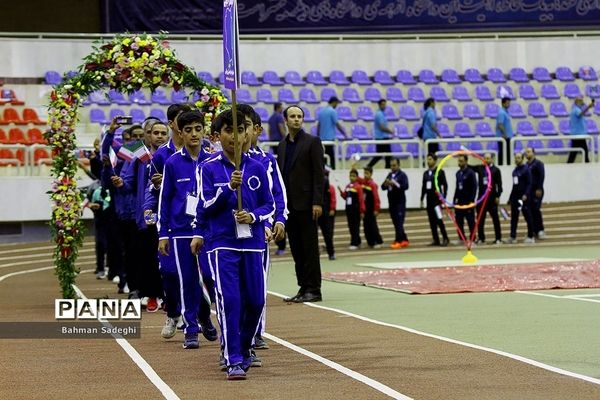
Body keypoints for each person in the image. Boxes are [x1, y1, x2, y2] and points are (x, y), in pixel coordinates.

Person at [190, 109, 274, 380]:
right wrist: (227, 188)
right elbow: (205, 205)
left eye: (239, 130)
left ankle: (246, 345)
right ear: (217, 136)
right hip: (222, 243)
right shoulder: (208, 168)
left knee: (256, 301)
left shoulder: (258, 167)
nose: (235, 137)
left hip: (252, 243)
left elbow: (268, 205)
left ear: (246, 133)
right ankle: (233, 357)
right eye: (228, 131)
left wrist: (253, 216)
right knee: (231, 300)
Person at [157, 110, 215, 347]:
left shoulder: (212, 161)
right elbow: (165, 198)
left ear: (204, 130)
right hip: (180, 230)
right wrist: (163, 234)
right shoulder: (171, 163)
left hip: (209, 229)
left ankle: (208, 318)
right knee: (188, 281)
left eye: (198, 129)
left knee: (211, 278)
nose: (193, 134)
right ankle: (191, 329)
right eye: (188, 130)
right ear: (180, 132)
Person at [239, 103, 288, 351]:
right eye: (235, 128)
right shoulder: (217, 161)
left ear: (256, 130)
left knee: (257, 285)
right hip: (226, 236)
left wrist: (276, 221)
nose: (242, 133)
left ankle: (256, 332)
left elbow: (276, 195)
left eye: (245, 127)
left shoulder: (266, 161)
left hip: (259, 233)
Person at [277, 105, 325, 303]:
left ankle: (314, 289)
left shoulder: (312, 142)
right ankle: (303, 287)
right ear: (286, 121)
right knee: (296, 248)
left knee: (309, 249)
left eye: (299, 116)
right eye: (292, 116)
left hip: (307, 204)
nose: (296, 119)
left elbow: (319, 174)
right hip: (289, 206)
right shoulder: (281, 145)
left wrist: (317, 202)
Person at [420, 153, 449, 246]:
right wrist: (421, 199)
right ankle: (435, 239)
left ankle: (445, 238)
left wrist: (443, 197)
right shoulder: (425, 174)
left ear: (435, 161)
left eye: (430, 159)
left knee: (439, 219)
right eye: (427, 159)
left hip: (437, 201)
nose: (428, 161)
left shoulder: (440, 172)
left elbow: (445, 185)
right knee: (432, 221)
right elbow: (424, 187)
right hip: (429, 200)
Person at [475, 153, 503, 245]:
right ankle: (481, 238)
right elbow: (469, 167)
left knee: (495, 219)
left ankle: (498, 238)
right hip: (481, 199)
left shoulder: (496, 170)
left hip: (491, 199)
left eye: (488, 158)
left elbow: (499, 185)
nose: (486, 160)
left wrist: (497, 196)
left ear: (492, 159)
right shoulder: (480, 168)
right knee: (480, 219)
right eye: (485, 158)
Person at [508, 152, 535, 244]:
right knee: (514, 218)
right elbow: (514, 185)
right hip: (515, 197)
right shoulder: (514, 171)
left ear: (522, 159)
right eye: (516, 158)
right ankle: (512, 236)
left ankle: (531, 236)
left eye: (519, 158)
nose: (517, 159)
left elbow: (529, 183)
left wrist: (526, 194)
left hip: (523, 197)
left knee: (527, 216)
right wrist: (510, 197)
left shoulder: (526, 170)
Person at [382, 158, 409, 249]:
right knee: (395, 221)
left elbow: (405, 186)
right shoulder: (389, 175)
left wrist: (394, 184)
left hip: (400, 202)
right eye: (391, 166)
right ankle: (404, 239)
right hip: (391, 202)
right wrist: (386, 184)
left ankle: (398, 240)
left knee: (399, 222)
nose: (392, 167)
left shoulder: (402, 175)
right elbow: (383, 186)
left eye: (394, 165)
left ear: (398, 165)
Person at [316, 96, 345, 169]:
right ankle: (333, 170)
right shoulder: (332, 111)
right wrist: (344, 134)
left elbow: (318, 125)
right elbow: (337, 124)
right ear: (334, 102)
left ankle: (324, 170)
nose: (337, 105)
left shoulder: (322, 111)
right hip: (329, 138)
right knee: (331, 157)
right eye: (337, 103)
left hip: (322, 138)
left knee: (325, 156)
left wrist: (318, 136)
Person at [453, 155, 477, 241]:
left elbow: (474, 187)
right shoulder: (458, 173)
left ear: (466, 162)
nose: (460, 163)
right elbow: (457, 187)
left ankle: (473, 238)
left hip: (468, 201)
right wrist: (454, 199)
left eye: (461, 161)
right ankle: (462, 238)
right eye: (459, 161)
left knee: (471, 221)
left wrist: (472, 200)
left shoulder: (471, 173)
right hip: (460, 201)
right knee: (459, 221)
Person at [339, 169, 365, 250]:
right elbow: (345, 197)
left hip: (355, 210)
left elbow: (361, 200)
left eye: (353, 176)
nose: (351, 177)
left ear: (357, 177)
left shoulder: (358, 187)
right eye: (350, 176)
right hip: (349, 209)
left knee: (355, 226)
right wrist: (341, 192)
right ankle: (358, 241)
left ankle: (354, 243)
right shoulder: (348, 186)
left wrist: (362, 211)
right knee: (351, 226)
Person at [525, 147, 546, 239]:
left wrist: (539, 188)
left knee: (536, 210)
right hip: (529, 191)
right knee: (530, 211)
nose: (527, 154)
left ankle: (540, 230)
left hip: (536, 190)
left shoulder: (538, 164)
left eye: (529, 152)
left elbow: (542, 176)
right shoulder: (526, 165)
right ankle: (533, 230)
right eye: (526, 152)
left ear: (533, 153)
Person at [367, 99, 394, 168]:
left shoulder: (382, 114)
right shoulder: (379, 114)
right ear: (379, 105)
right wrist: (391, 132)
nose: (384, 106)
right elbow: (382, 127)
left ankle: (370, 166)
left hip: (383, 137)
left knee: (385, 155)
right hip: (381, 137)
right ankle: (369, 166)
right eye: (382, 104)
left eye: (385, 104)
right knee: (385, 155)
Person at [361, 166, 383, 248]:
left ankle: (377, 241)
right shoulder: (363, 183)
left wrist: (377, 209)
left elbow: (376, 197)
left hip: (371, 208)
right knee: (366, 226)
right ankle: (370, 242)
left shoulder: (373, 185)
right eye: (364, 173)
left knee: (372, 226)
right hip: (365, 208)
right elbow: (357, 178)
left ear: (371, 174)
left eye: (367, 173)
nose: (365, 175)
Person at [567, 96, 594, 163]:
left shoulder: (576, 109)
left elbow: (581, 113)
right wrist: (588, 107)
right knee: (584, 150)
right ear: (577, 102)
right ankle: (587, 163)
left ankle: (569, 164)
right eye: (580, 101)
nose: (582, 102)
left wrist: (588, 107)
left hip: (578, 134)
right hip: (578, 134)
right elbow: (580, 114)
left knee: (575, 152)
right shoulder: (576, 109)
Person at [318, 168, 336, 260]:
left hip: (323, 210)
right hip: (321, 209)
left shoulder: (325, 180)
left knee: (327, 234)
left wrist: (331, 208)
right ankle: (331, 253)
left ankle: (331, 252)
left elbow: (330, 197)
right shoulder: (324, 180)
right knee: (326, 234)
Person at [496, 97, 513, 166]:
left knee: (508, 154)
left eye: (509, 103)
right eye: (507, 103)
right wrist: (505, 134)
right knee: (503, 154)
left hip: (507, 137)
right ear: (503, 103)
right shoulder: (501, 113)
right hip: (503, 137)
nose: (509, 105)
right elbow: (500, 125)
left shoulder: (506, 112)